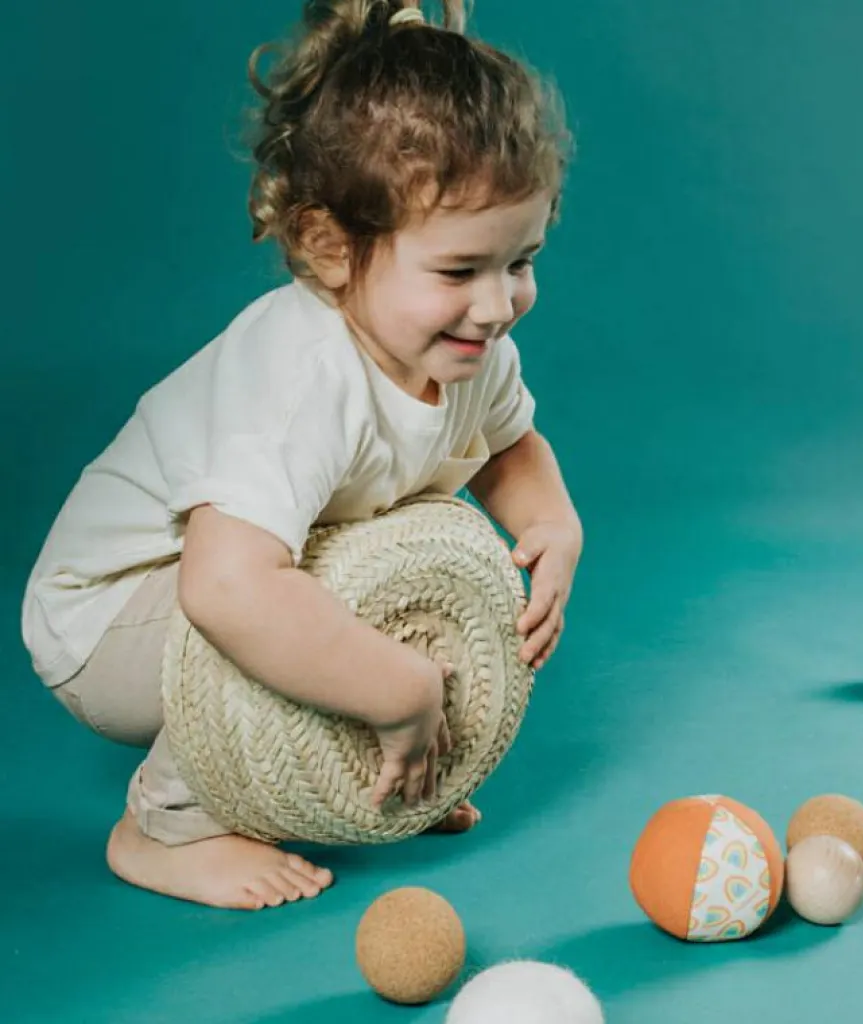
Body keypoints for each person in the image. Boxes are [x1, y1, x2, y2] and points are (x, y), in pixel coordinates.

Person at [19, 0, 582, 911]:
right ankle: (165, 825)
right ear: (332, 248)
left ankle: (363, 779)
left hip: (234, 578)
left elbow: (510, 447)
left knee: (392, 568)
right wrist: (398, 689)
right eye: (457, 270)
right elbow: (224, 591)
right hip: (110, 617)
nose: (496, 306)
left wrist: (552, 522)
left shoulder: (468, 347)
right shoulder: (302, 377)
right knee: (307, 611)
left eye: (520, 261)